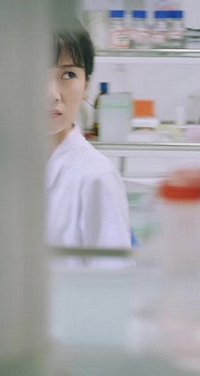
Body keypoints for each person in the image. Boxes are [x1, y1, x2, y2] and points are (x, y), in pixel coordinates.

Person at [46, 24, 132, 248]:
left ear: (86, 86)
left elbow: (112, 269)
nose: (52, 95)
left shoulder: (96, 177)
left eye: (68, 74)